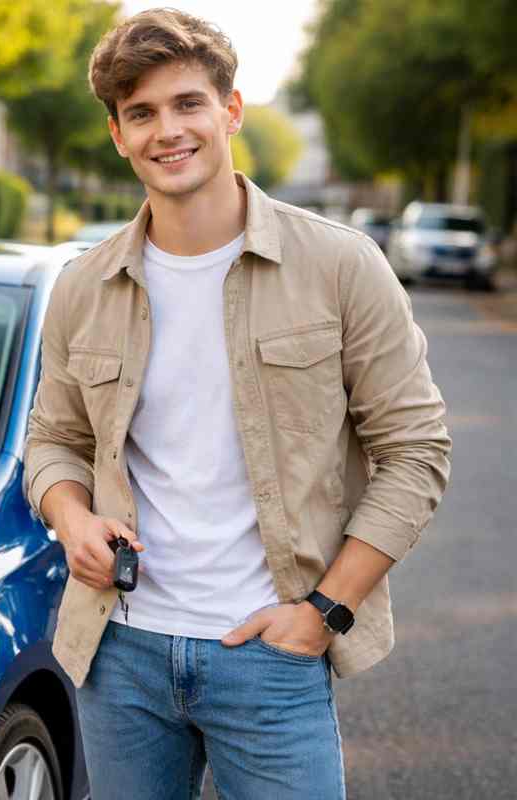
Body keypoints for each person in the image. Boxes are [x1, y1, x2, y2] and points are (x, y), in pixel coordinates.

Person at [23, 8, 451, 800]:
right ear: (118, 135)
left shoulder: (339, 265)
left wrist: (326, 610)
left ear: (231, 110)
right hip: (119, 653)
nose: (167, 130)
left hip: (271, 652)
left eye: (188, 103)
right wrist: (70, 517)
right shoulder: (84, 287)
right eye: (141, 113)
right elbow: (52, 439)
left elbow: (417, 450)